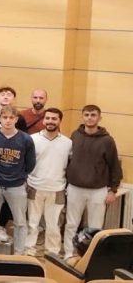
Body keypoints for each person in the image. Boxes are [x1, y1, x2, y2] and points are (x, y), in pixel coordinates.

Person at [63, 104, 123, 259]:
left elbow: (114, 166)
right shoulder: (75, 135)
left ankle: (91, 257)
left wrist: (113, 190)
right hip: (75, 188)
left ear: (99, 118)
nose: (90, 118)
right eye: (87, 115)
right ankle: (69, 254)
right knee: (71, 224)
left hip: (98, 190)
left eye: (93, 115)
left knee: (95, 227)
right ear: (82, 117)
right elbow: (68, 160)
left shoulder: (107, 140)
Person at [0, 104, 35, 255]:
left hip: (16, 186)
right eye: (5, 117)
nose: (8, 120)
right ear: (0, 118)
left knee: (20, 222)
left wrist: (19, 176)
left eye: (11, 117)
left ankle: (19, 253)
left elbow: (30, 164)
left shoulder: (26, 139)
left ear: (16, 119)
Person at [25, 107, 70, 256]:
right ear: (44, 120)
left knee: (54, 225)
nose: (50, 121)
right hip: (34, 187)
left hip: (57, 189)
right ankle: (29, 251)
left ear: (60, 121)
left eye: (54, 119)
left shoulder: (68, 143)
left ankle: (52, 253)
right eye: (48, 118)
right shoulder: (32, 139)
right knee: (32, 223)